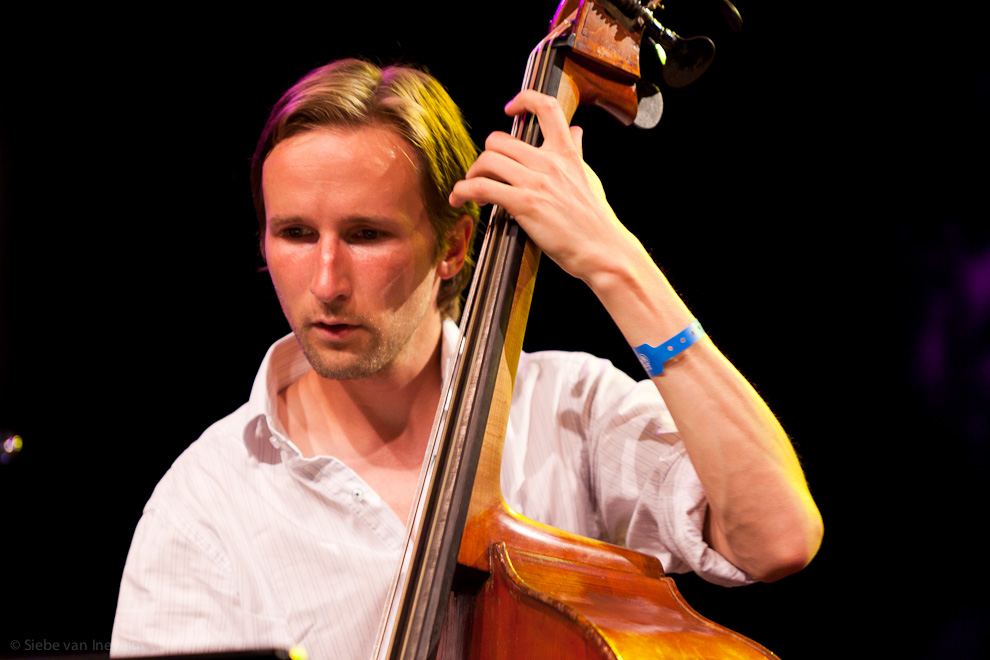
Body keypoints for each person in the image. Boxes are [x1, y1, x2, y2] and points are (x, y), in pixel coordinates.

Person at [111, 59, 822, 659]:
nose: (325, 281)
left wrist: (617, 264)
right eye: (296, 234)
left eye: (365, 234)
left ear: (453, 247)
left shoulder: (569, 410)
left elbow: (777, 538)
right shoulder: (204, 507)